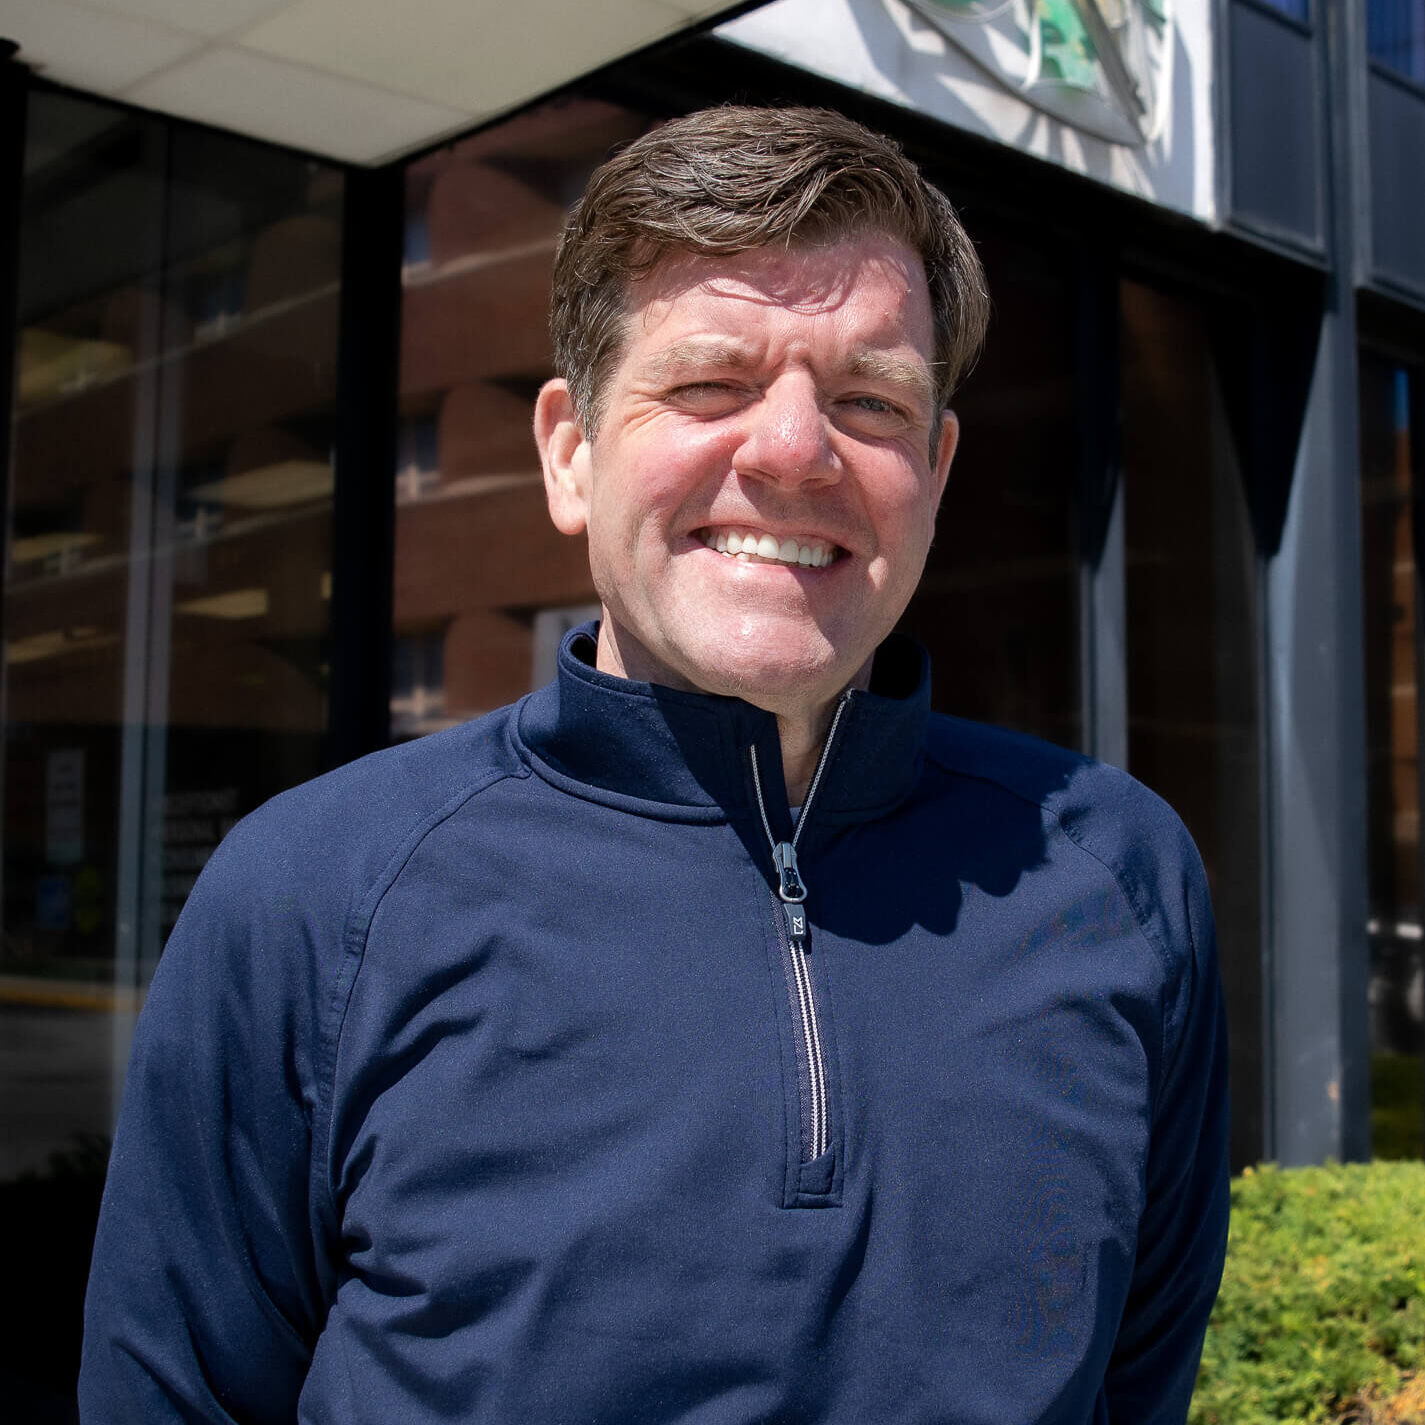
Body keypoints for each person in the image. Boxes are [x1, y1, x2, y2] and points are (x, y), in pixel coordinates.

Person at [80, 106, 1228, 1422]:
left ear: (934, 465)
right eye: (707, 385)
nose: (793, 449)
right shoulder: (319, 891)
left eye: (869, 398)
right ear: (570, 451)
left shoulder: (1117, 872)